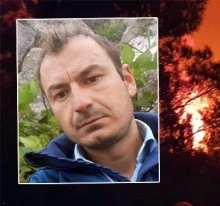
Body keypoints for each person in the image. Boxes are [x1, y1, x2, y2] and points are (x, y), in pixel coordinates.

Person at [23, 23, 159, 183]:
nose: (80, 103)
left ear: (128, 81)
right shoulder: (43, 188)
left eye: (92, 79)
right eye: (60, 94)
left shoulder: (188, 150)